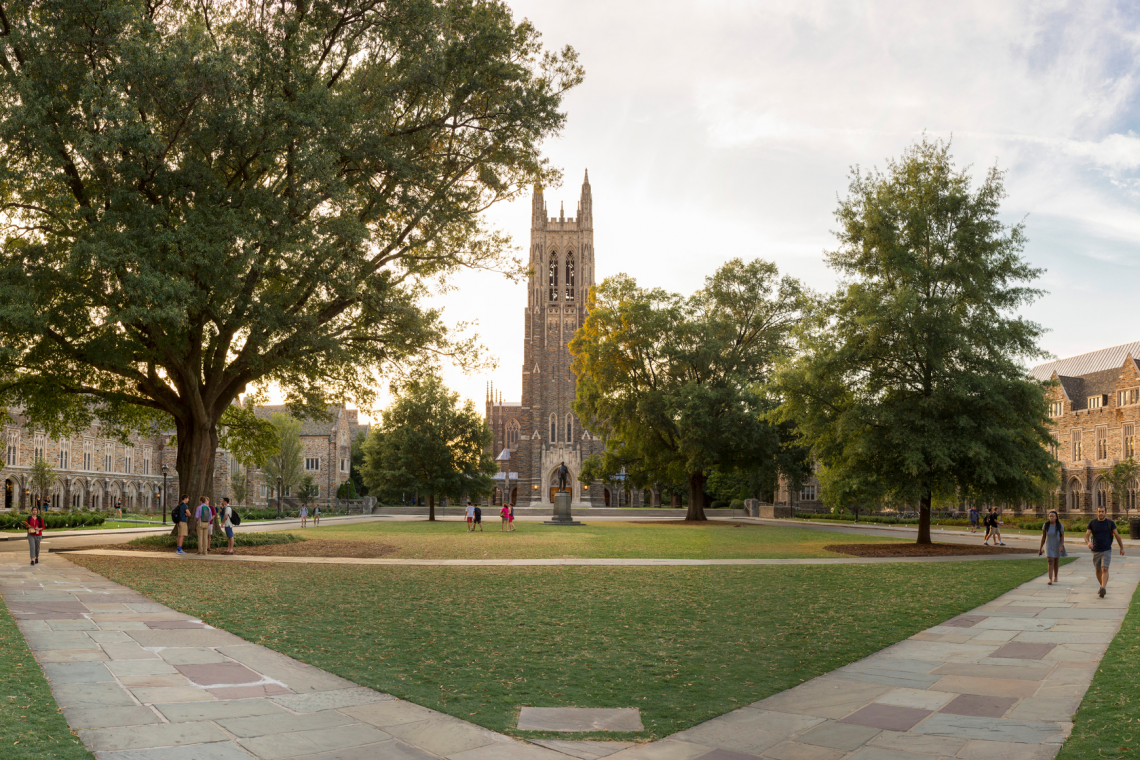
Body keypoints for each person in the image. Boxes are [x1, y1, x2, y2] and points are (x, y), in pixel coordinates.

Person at [1086, 505, 1125, 598]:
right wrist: (1088, 542)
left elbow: (1117, 535)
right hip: (1095, 550)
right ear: (1097, 512)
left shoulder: (1110, 523)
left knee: (1105, 569)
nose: (1101, 513)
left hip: (1106, 549)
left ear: (1106, 512)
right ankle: (1102, 587)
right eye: (1099, 511)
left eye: (1102, 511)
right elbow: (1087, 535)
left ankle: (1103, 588)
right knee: (1098, 570)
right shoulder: (1092, 522)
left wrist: (1121, 547)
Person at [1037, 510, 1066, 585]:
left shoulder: (1060, 526)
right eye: (1050, 516)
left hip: (1057, 545)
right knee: (1050, 561)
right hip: (1048, 545)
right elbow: (1043, 537)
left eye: (1053, 516)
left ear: (1056, 517)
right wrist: (1040, 548)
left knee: (1055, 562)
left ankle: (1055, 576)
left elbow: (1062, 537)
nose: (1051, 518)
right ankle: (1050, 579)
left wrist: (1061, 546)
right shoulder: (1046, 525)